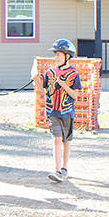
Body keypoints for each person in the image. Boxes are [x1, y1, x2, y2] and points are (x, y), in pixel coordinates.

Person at [32, 37, 82, 183]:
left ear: (67, 56)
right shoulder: (49, 72)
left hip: (67, 112)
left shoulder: (74, 74)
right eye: (55, 55)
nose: (56, 58)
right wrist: (36, 80)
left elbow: (75, 95)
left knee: (66, 141)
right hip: (52, 111)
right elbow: (44, 92)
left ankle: (64, 168)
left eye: (59, 55)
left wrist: (64, 85)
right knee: (56, 139)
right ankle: (57, 169)